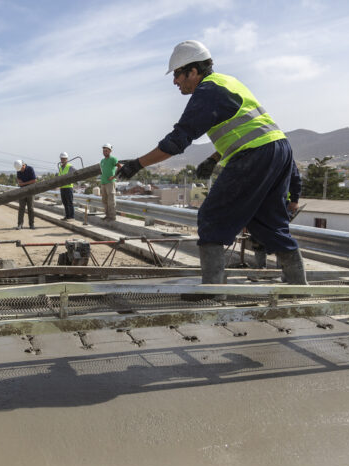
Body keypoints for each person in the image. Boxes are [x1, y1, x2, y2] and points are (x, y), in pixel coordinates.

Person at [116, 40, 308, 291]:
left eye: (177, 75)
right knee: (269, 225)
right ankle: (299, 288)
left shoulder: (207, 91)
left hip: (253, 156)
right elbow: (248, 128)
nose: (175, 82)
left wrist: (137, 164)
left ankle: (213, 292)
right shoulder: (228, 82)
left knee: (211, 218)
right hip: (278, 151)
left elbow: (177, 141)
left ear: (192, 71)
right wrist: (213, 158)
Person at [99, 143, 121, 221]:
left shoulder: (113, 159)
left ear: (110, 151)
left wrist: (114, 176)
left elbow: (120, 167)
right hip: (103, 182)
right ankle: (107, 215)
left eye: (106, 151)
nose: (105, 152)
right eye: (104, 151)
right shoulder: (102, 161)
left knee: (111, 201)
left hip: (110, 182)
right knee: (104, 200)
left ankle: (112, 217)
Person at [13, 159, 36, 229]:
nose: (20, 171)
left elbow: (34, 180)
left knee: (31, 208)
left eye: (21, 169)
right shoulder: (19, 170)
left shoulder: (30, 169)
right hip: (22, 191)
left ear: (23, 165)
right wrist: (19, 181)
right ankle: (20, 224)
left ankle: (31, 224)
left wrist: (24, 183)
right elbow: (18, 178)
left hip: (30, 191)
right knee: (21, 208)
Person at [57, 152, 75, 220]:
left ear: (67, 159)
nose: (62, 160)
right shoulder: (61, 168)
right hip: (62, 188)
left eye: (64, 159)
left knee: (69, 203)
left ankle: (72, 217)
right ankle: (67, 216)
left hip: (68, 187)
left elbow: (77, 173)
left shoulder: (70, 167)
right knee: (65, 203)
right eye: (61, 159)